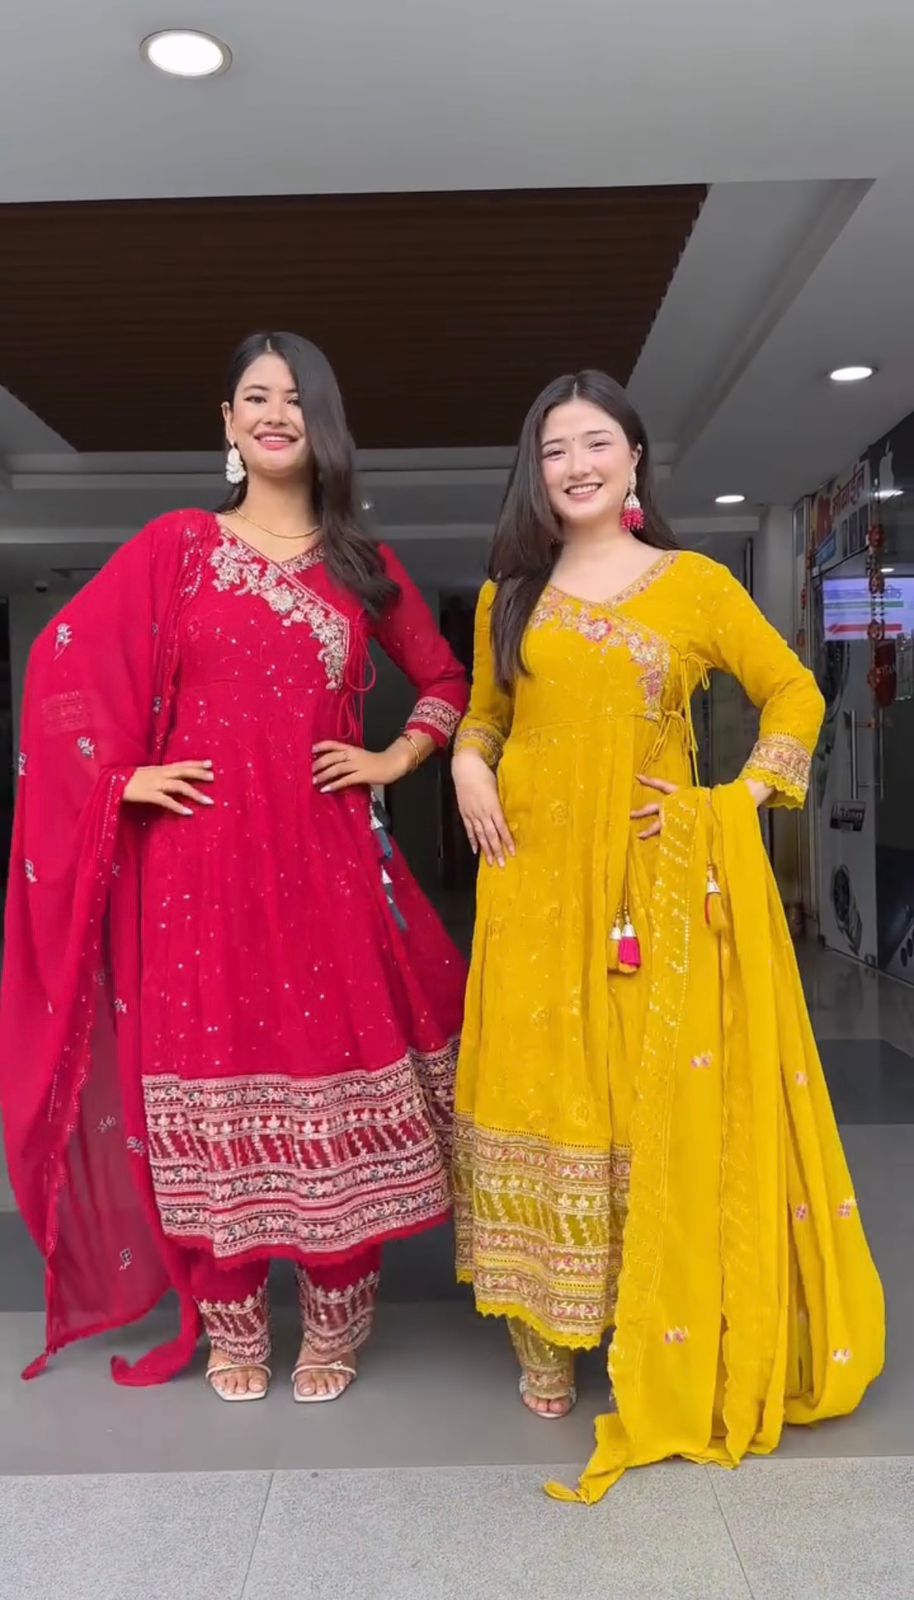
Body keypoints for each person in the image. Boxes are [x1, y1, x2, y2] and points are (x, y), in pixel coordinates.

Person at [0, 331, 468, 1403]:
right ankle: (233, 1321)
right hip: (196, 869)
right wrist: (118, 777)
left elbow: (446, 680)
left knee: (329, 1069)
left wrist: (394, 757)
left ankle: (336, 1317)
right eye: (255, 397)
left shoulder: (358, 563)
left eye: (296, 398)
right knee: (209, 1078)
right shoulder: (177, 547)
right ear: (226, 422)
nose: (274, 414)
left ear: (323, 422)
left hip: (324, 864)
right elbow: (61, 666)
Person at [451, 370, 884, 1500]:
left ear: (635, 458)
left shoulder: (692, 586)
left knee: (637, 1088)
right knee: (540, 1080)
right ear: (535, 470)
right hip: (527, 882)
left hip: (649, 885)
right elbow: (487, 713)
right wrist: (464, 763)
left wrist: (735, 801)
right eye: (554, 449)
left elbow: (793, 692)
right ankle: (545, 1327)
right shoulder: (509, 594)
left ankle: (648, 1312)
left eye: (596, 442)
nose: (575, 465)